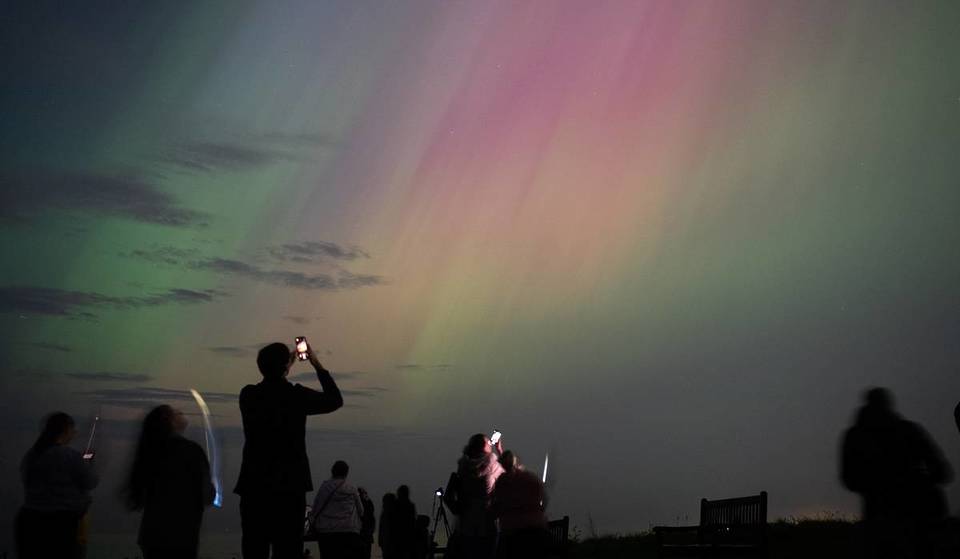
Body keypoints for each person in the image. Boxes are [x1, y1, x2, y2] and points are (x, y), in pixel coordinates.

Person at [235, 340, 344, 559]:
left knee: (254, 548)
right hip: (290, 487)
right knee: (288, 549)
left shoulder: (248, 395)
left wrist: (285, 365)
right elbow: (335, 400)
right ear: (286, 366)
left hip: (255, 485)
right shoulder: (296, 395)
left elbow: (271, 388)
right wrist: (316, 364)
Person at [841, 387, 953, 558]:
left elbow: (849, 479)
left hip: (878, 515)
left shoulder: (854, 436)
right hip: (916, 515)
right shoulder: (909, 431)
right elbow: (942, 472)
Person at [124, 405, 215, 559]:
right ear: (170, 422)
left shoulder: (150, 451)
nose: (181, 412)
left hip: (152, 534)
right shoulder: (191, 450)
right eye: (176, 413)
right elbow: (207, 494)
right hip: (182, 534)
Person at [16, 412, 98, 559]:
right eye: (72, 429)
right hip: (61, 524)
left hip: (29, 521)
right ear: (66, 430)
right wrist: (88, 465)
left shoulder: (32, 455)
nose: (75, 433)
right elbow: (91, 481)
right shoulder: (69, 456)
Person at [448, 433, 505, 559]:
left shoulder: (463, 466)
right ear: (482, 447)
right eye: (488, 442)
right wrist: (500, 449)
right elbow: (509, 472)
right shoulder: (492, 463)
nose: (490, 443)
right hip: (487, 521)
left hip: (466, 523)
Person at [490, 452, 548, 559]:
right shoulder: (531, 477)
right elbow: (544, 500)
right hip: (537, 532)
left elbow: (496, 506)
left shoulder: (502, 481)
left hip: (512, 534)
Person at [309, 460, 364, 559]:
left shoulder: (325, 487)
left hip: (326, 532)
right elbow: (361, 511)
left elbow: (316, 508)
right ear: (346, 473)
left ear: (332, 471)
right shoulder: (351, 489)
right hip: (349, 531)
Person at [393, 485, 417, 559]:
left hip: (397, 537)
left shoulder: (394, 506)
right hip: (408, 537)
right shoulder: (411, 506)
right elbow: (413, 521)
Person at [357, 487, 376, 559]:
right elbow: (372, 518)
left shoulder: (355, 504)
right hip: (367, 535)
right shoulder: (369, 503)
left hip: (359, 535)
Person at [378, 492, 397, 559]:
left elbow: (381, 529)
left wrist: (380, 541)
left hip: (386, 543)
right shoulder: (398, 514)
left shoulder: (384, 514)